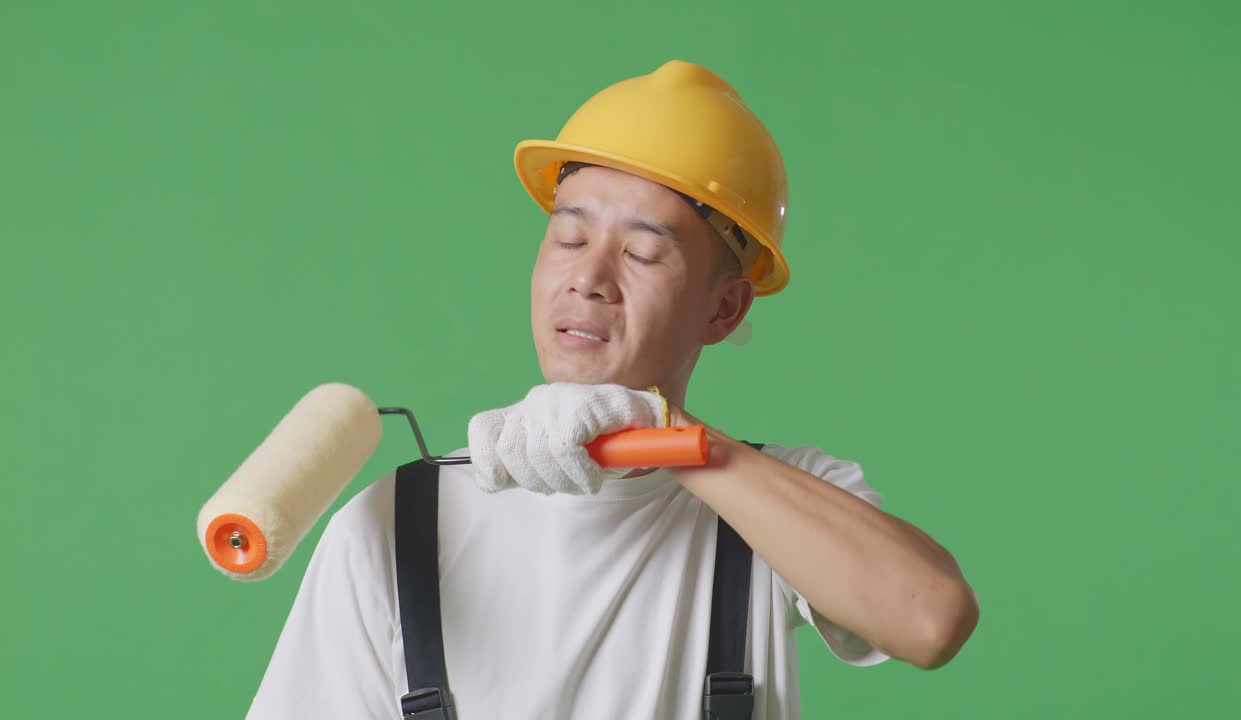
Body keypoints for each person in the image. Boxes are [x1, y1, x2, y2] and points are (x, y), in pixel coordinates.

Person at [246, 60, 979, 719]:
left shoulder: (785, 501)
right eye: (568, 239)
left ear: (724, 309)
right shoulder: (394, 526)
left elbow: (930, 618)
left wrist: (677, 439)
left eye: (641, 252)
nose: (587, 278)